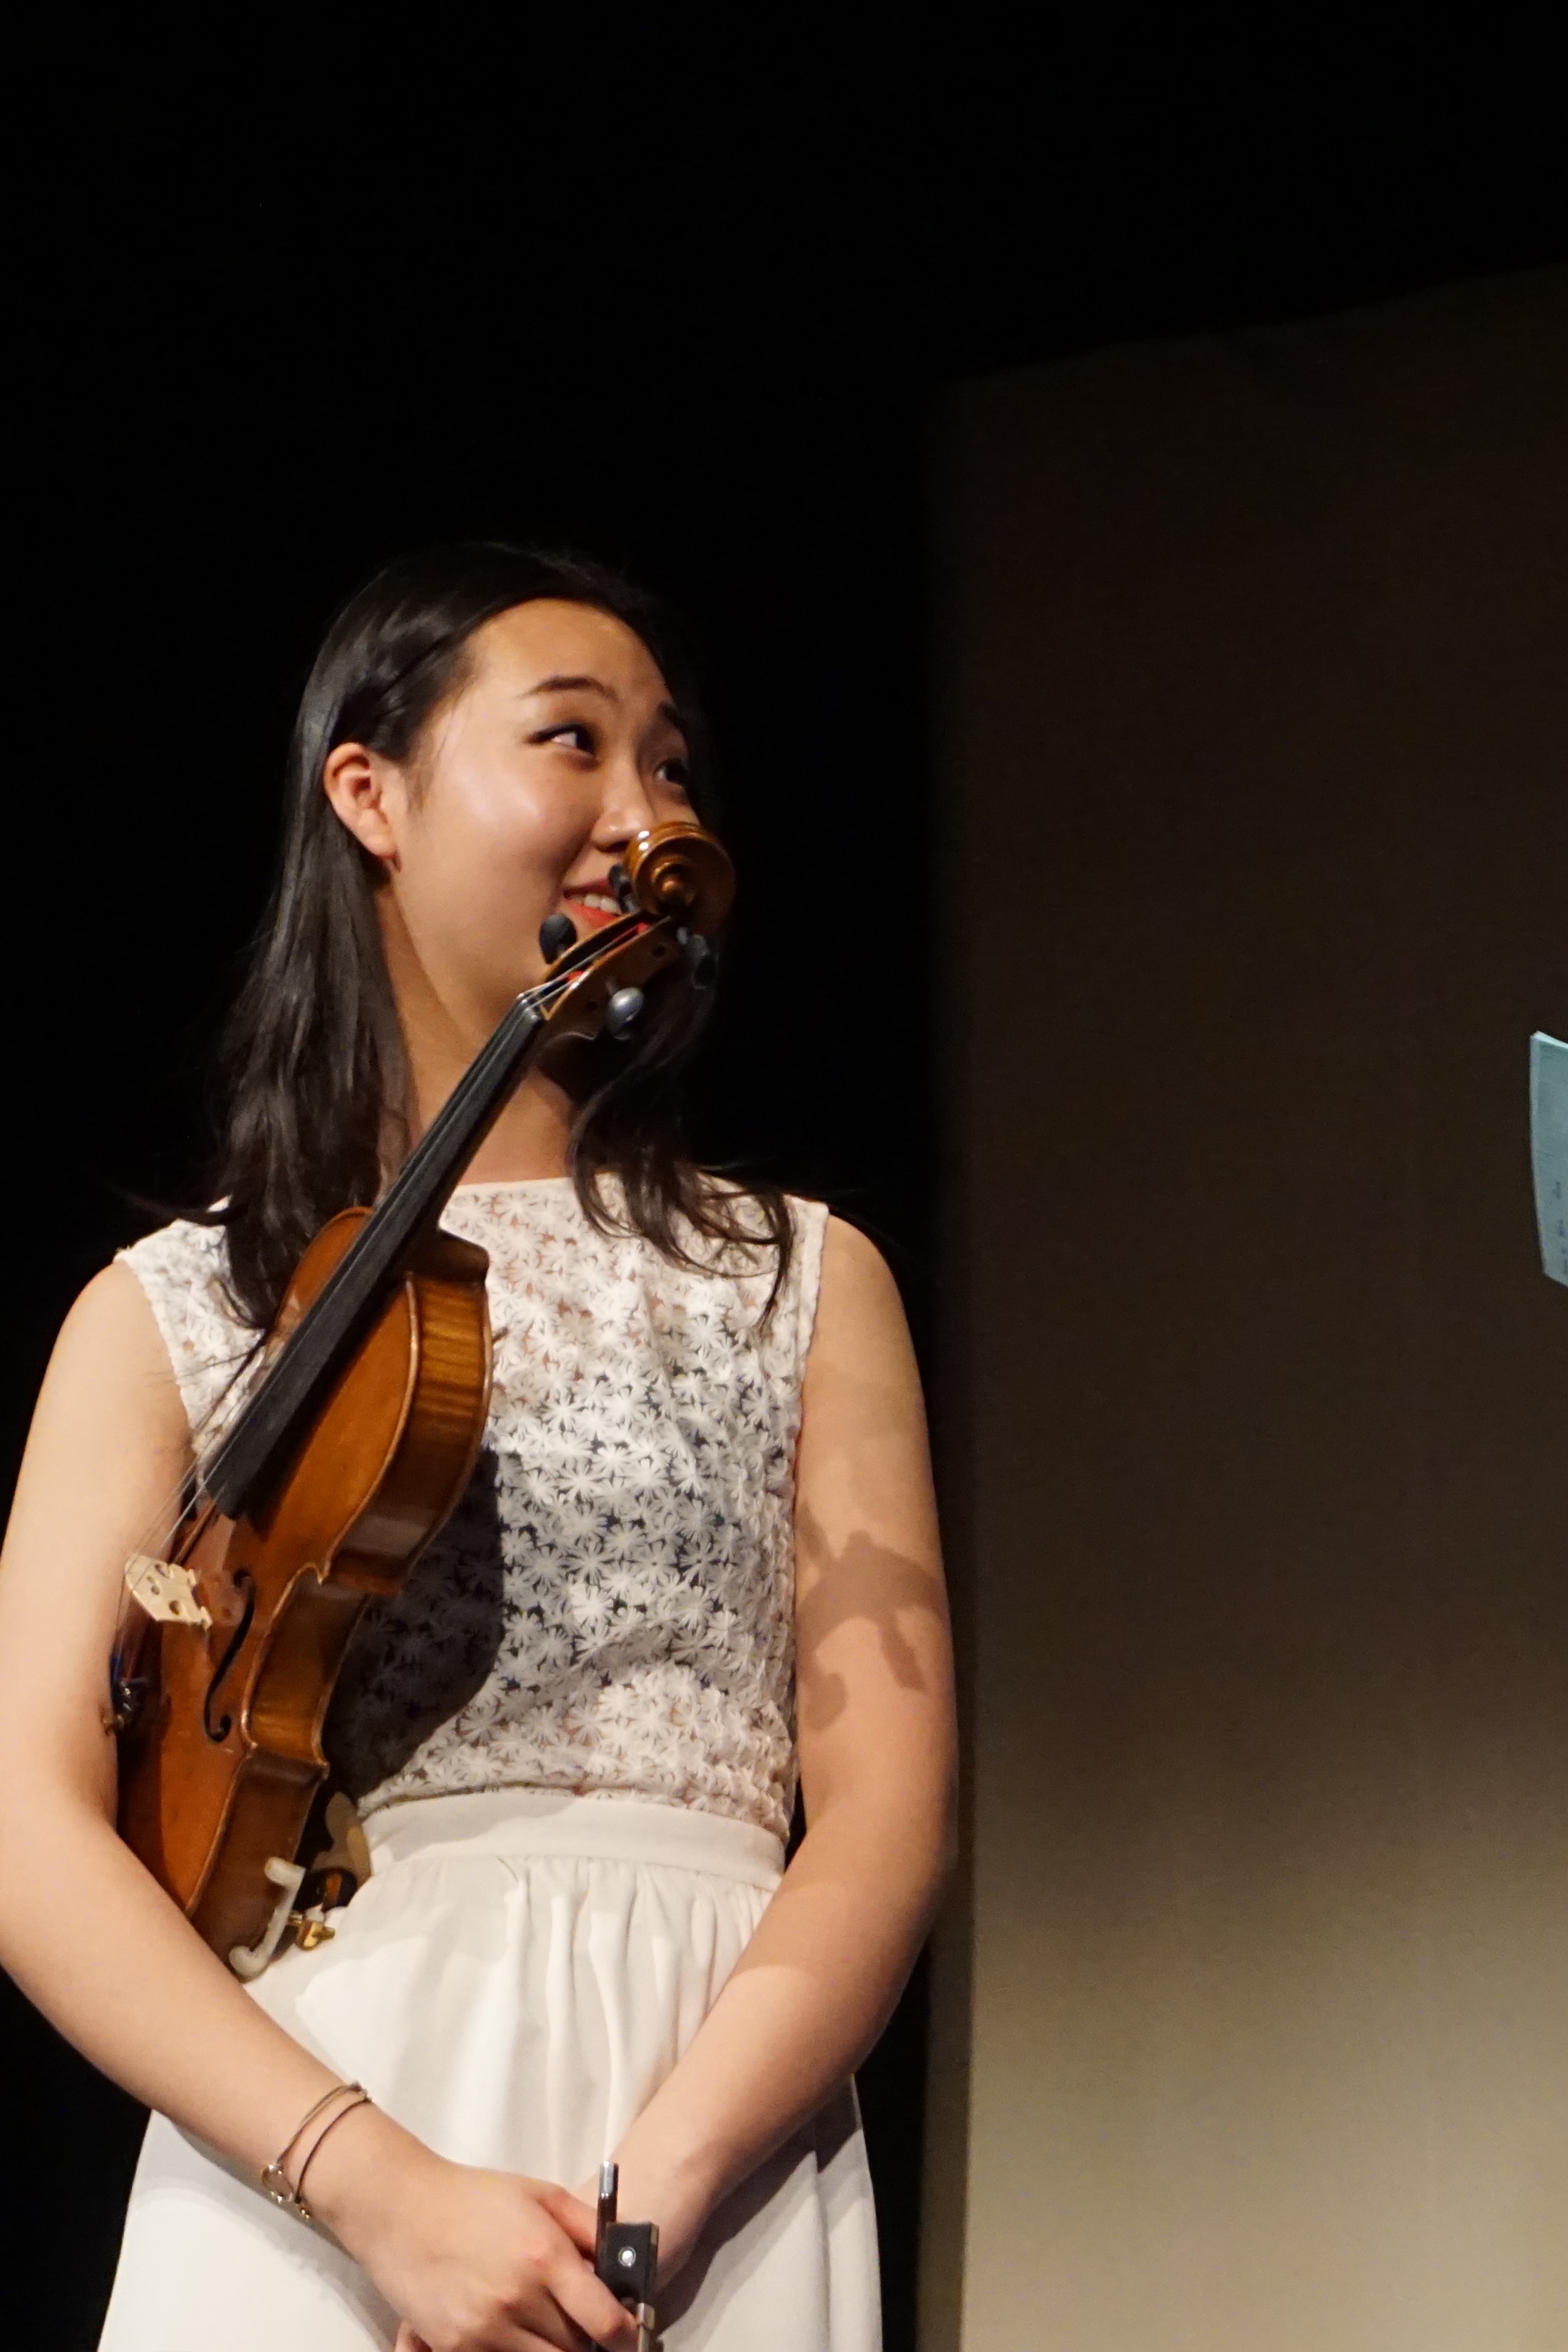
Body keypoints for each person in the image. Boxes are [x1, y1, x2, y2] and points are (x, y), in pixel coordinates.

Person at [0, 544, 955, 2352]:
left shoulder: (799, 1280)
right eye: (571, 741)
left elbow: (884, 1816)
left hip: (709, 2132)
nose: (643, 815)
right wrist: (374, 2186)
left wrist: (655, 2192)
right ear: (369, 793)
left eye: (670, 764)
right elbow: (29, 1833)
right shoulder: (173, 1308)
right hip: (314, 2144)